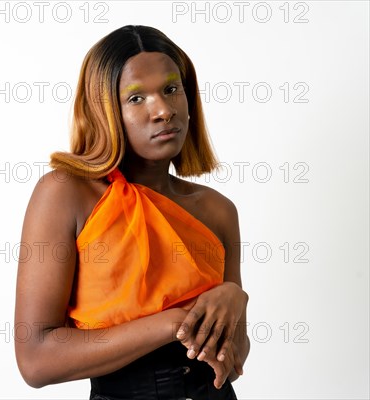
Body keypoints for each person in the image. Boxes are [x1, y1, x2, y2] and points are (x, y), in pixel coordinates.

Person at [14, 25, 250, 399]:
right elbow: (36, 360)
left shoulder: (218, 210)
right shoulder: (65, 193)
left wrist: (235, 296)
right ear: (104, 109)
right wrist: (173, 322)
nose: (163, 110)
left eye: (172, 89)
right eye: (136, 98)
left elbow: (233, 363)